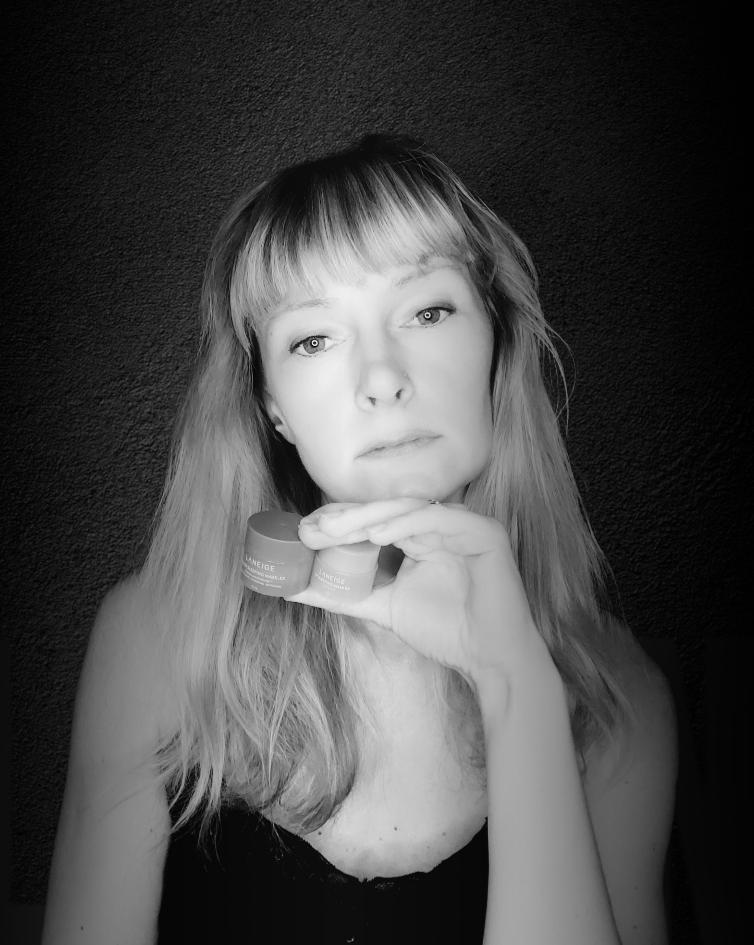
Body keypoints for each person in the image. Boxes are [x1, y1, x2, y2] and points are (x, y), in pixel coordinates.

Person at [41, 133, 677, 945]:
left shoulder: (619, 695)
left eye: (428, 311)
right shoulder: (157, 637)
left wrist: (517, 682)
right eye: (314, 338)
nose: (382, 377)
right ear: (272, 406)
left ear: (497, 341)